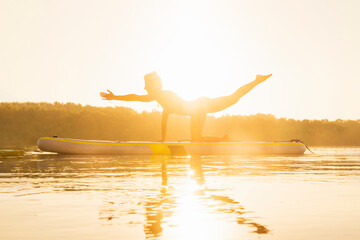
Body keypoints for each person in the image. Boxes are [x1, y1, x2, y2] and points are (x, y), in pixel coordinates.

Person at [100, 72, 272, 142]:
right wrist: (163, 139)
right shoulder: (163, 100)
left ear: (154, 86)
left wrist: (115, 97)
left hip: (199, 107)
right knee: (234, 98)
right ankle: (256, 80)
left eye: (147, 85)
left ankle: (223, 140)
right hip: (201, 105)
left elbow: (137, 98)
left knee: (233, 99)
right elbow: (164, 120)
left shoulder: (162, 95)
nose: (145, 88)